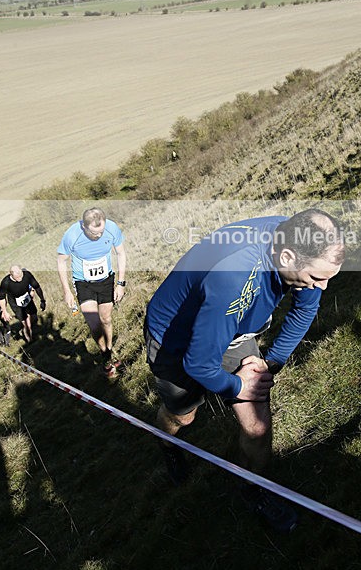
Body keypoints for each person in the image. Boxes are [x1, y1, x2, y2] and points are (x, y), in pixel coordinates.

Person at [144, 208, 345, 531]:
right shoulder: (234, 275)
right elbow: (198, 362)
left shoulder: (295, 242)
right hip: (173, 338)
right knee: (183, 415)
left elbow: (303, 312)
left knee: (257, 427)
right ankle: (168, 445)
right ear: (288, 256)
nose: (321, 287)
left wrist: (269, 365)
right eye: (316, 278)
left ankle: (254, 489)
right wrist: (239, 387)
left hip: (232, 330)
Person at [57, 207, 127, 378]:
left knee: (106, 319)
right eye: (94, 233)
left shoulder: (111, 229)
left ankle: (109, 351)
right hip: (84, 283)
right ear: (84, 227)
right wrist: (67, 291)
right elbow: (61, 262)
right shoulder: (72, 235)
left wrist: (121, 283)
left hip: (106, 280)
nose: (99, 236)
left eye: (101, 231)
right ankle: (105, 354)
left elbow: (121, 253)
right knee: (94, 323)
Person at [0, 266, 46, 344]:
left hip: (27, 299)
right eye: (17, 277)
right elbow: (2, 298)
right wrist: (5, 312)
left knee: (34, 318)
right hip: (15, 303)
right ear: (11, 275)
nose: (20, 278)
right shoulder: (6, 282)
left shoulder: (27, 275)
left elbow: (37, 287)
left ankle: (23, 330)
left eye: (21, 276)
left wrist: (42, 300)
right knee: (27, 324)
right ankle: (31, 343)